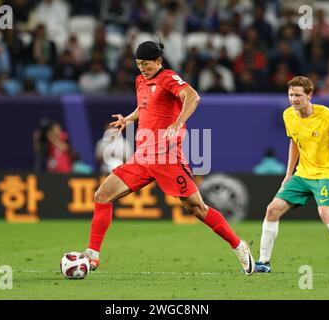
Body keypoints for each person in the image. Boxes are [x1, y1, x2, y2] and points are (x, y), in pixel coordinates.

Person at [80, 39, 255, 275]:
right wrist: (127, 119)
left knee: (196, 208)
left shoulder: (167, 78)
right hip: (142, 157)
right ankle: (92, 256)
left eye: (147, 63)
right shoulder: (140, 80)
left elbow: (193, 97)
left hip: (166, 157)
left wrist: (178, 122)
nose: (142, 67)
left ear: (159, 61)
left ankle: (239, 246)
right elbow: (144, 108)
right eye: (139, 63)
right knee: (102, 195)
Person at [254, 76, 329, 276]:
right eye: (290, 95)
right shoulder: (288, 115)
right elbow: (294, 142)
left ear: (309, 95)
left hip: (327, 174)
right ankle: (263, 262)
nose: (293, 99)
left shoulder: (327, 115)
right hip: (302, 174)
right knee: (272, 210)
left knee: (325, 213)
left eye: (298, 95)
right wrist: (288, 174)